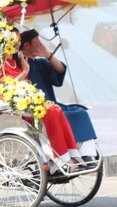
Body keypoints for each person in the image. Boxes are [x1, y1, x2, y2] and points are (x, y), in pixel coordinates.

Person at [0, 33, 87, 171]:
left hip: (24, 98)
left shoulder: (19, 62)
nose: (15, 45)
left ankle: (73, 154)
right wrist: (25, 71)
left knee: (55, 108)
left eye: (17, 41)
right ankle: (61, 158)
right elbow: (5, 90)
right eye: (12, 42)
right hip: (7, 101)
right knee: (50, 110)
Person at [19, 29, 98, 161]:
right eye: (37, 42)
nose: (41, 45)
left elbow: (60, 70)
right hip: (37, 108)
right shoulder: (19, 65)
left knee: (80, 113)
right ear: (27, 45)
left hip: (52, 104)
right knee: (64, 115)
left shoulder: (40, 63)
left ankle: (85, 153)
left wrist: (47, 55)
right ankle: (67, 156)